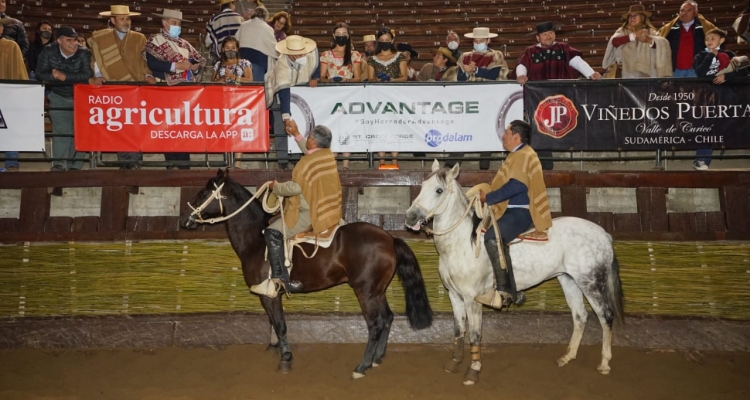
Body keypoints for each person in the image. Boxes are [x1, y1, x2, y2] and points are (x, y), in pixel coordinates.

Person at [249, 122, 342, 298]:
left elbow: (295, 187)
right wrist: (297, 134)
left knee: (272, 231)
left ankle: (280, 280)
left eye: (309, 138)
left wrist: (275, 187)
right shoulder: (326, 156)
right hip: (328, 209)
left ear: (313, 141)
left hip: (309, 214)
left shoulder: (307, 162)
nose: (307, 140)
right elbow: (309, 152)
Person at [474, 120, 552, 309]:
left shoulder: (522, 155)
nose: (503, 136)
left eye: (507, 133)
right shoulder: (519, 155)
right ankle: (514, 292)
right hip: (512, 209)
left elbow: (517, 185)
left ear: (516, 136)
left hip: (519, 211)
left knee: (492, 237)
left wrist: (490, 197)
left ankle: (504, 292)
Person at [89, 5, 155, 170]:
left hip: (135, 89)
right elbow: (96, 60)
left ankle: (135, 163)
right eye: (122, 19)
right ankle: (124, 163)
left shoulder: (140, 38)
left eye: (128, 19)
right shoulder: (101, 39)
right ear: (112, 20)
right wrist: (98, 75)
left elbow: (145, 61)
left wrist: (147, 75)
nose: (126, 22)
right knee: (119, 126)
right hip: (114, 90)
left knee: (135, 127)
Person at [143, 9, 206, 170]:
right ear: (164, 23)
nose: (177, 26)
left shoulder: (184, 44)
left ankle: (184, 164)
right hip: (164, 89)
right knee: (166, 127)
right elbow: (153, 64)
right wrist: (176, 66)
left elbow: (197, 62)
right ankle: (170, 163)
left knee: (182, 128)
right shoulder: (155, 41)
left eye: (178, 24)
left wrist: (195, 67)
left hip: (183, 92)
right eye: (174, 23)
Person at [35, 26, 94, 171]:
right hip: (59, 96)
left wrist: (65, 77)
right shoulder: (49, 51)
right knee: (62, 132)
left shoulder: (84, 52)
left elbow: (87, 74)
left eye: (75, 40)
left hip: (82, 97)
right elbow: (39, 73)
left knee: (79, 132)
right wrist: (53, 77)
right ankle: (60, 166)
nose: (74, 43)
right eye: (69, 40)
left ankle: (75, 166)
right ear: (59, 40)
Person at [691, 29, 746, 171]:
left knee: (725, 125)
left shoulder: (730, 55)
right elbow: (701, 73)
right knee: (707, 127)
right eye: (707, 39)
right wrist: (711, 56)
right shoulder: (700, 55)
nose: (709, 41)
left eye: (713, 38)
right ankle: (701, 159)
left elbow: (743, 72)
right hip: (706, 96)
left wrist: (726, 77)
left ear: (721, 40)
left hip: (725, 95)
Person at [454, 27, 508, 170]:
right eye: (476, 40)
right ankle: (454, 159)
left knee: (487, 127)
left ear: (488, 40)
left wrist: (476, 70)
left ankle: (485, 160)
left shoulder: (496, 55)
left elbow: (494, 74)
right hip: (469, 97)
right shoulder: (465, 55)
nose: (478, 43)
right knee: (463, 127)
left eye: (481, 40)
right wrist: (466, 72)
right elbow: (459, 78)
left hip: (488, 96)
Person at [265, 34, 320, 170]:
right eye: (297, 55)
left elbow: (316, 66)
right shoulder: (281, 64)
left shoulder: (312, 54)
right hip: (281, 95)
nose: (301, 56)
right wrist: (286, 117)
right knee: (282, 127)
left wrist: (315, 77)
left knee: (302, 124)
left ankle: (297, 158)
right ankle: (282, 161)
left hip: (303, 95)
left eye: (302, 53)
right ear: (290, 54)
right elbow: (285, 93)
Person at [320, 22, 362, 169]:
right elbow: (322, 77)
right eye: (338, 35)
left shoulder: (355, 55)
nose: (341, 37)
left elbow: (358, 77)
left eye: (344, 34)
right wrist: (329, 80)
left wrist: (347, 80)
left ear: (349, 36)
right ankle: (332, 163)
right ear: (333, 36)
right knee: (332, 127)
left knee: (347, 127)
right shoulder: (326, 55)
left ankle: (345, 164)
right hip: (331, 96)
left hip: (349, 95)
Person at [367, 27, 407, 166]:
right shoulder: (372, 59)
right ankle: (382, 162)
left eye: (387, 40)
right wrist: (376, 80)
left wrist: (392, 80)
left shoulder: (400, 56)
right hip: (377, 98)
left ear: (392, 40)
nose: (385, 42)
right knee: (380, 129)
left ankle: (394, 162)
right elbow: (370, 79)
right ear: (378, 41)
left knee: (395, 128)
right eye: (382, 40)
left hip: (395, 96)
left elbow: (404, 77)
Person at [212, 36, 253, 168]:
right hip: (222, 101)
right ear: (223, 49)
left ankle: (238, 163)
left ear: (237, 49)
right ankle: (228, 160)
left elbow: (250, 80)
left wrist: (235, 77)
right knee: (226, 130)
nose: (230, 50)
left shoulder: (245, 63)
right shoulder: (218, 65)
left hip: (241, 101)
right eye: (227, 48)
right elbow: (212, 82)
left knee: (239, 130)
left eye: (233, 48)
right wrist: (223, 78)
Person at [516, 22, 601, 83]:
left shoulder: (564, 48)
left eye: (551, 33)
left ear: (555, 35)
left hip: (563, 91)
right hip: (536, 93)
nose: (548, 36)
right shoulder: (530, 51)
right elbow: (522, 65)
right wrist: (521, 75)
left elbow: (578, 62)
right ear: (538, 38)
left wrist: (591, 73)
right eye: (544, 34)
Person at [602, 4, 672, 79]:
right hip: (627, 73)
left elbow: (662, 45)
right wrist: (633, 36)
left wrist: (648, 39)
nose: (632, 18)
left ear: (642, 17)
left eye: (635, 15)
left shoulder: (651, 32)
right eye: (630, 16)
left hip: (647, 73)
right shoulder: (623, 31)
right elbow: (614, 42)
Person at [657, 1, 715, 78]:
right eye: (682, 11)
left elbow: (717, 41)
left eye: (689, 10)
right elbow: (659, 43)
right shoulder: (670, 29)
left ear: (695, 12)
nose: (685, 13)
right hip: (675, 71)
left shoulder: (705, 27)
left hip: (697, 70)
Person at [0, 17, 28, 172]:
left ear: (1, 29)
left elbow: (19, 72)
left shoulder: (11, 46)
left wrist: (21, 93)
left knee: (9, 129)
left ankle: (11, 163)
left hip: (7, 96)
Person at [236, 6, 276, 82]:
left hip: (242, 59)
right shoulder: (268, 28)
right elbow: (273, 47)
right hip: (258, 61)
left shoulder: (243, 25)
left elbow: (236, 39)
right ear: (266, 17)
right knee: (256, 88)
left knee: (242, 86)